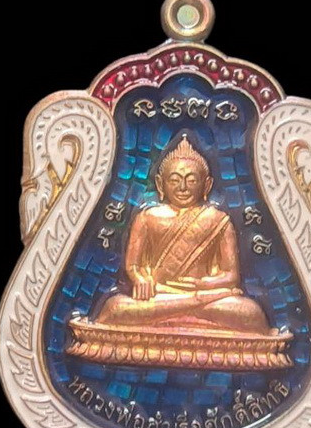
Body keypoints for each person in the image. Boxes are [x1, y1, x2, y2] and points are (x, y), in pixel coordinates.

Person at [95, 135, 277, 336]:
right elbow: (133, 266)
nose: (182, 188)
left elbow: (231, 276)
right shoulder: (147, 217)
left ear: (206, 185)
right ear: (160, 184)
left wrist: (203, 285)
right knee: (115, 308)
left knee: (250, 313)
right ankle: (190, 307)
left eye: (191, 180)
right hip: (160, 295)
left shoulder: (218, 219)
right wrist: (140, 280)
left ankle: (183, 309)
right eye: (174, 180)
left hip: (205, 295)